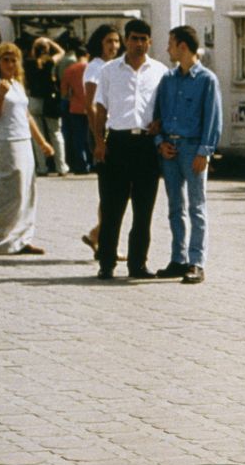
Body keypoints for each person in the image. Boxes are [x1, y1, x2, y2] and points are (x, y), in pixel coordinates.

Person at [91, 19, 167, 280]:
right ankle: (107, 262)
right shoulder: (110, 71)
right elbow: (100, 108)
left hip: (147, 146)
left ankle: (137, 264)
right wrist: (99, 143)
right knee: (112, 208)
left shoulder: (160, 71)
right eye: (134, 38)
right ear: (126, 40)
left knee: (143, 210)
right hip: (118, 145)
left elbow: (166, 107)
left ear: (150, 41)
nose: (138, 43)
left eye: (143, 38)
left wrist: (161, 123)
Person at [153, 25, 223, 285]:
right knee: (175, 207)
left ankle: (197, 262)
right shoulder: (168, 80)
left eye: (171, 43)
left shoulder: (207, 80)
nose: (167, 49)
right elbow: (157, 116)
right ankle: (177, 258)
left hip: (193, 149)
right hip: (169, 150)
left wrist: (205, 151)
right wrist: (160, 142)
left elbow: (213, 119)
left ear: (183, 46)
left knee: (196, 206)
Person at [0, 43, 55, 255]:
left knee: (28, 190)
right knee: (11, 191)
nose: (10, 64)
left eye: (13, 60)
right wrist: (0, 95)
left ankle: (22, 238)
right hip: (6, 141)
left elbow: (27, 116)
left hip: (24, 140)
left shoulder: (17, 85)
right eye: (5, 60)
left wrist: (42, 142)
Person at [81, 24, 121, 257]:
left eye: (116, 41)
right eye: (109, 41)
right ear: (99, 43)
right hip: (100, 133)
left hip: (113, 130)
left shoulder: (113, 66)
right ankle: (104, 241)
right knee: (109, 191)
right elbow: (90, 105)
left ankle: (99, 235)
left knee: (114, 190)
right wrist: (98, 139)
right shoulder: (95, 67)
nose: (113, 46)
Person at [25, 38, 68, 176]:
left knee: (38, 135)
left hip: (34, 99)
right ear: (47, 49)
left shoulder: (28, 63)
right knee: (55, 133)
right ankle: (61, 166)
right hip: (50, 100)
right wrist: (49, 41)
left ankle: (42, 167)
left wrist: (35, 43)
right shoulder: (49, 61)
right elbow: (62, 52)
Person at [60, 46, 91, 174]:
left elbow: (64, 92)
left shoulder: (69, 70)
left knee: (78, 138)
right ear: (87, 55)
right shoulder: (93, 68)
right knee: (94, 136)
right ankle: (95, 162)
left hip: (76, 107)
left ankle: (81, 165)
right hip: (93, 107)